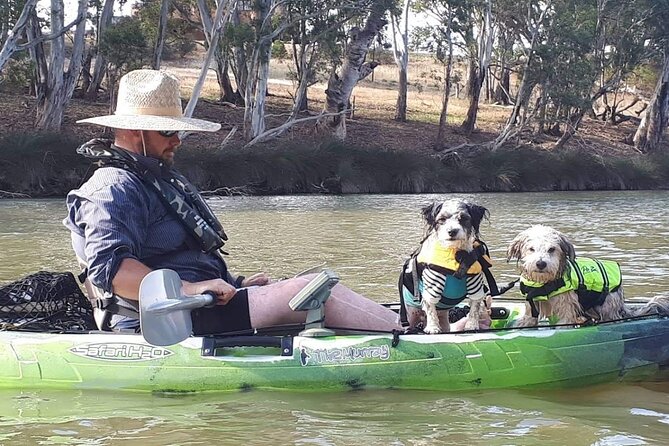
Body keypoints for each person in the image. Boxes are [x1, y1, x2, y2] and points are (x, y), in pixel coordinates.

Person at [64, 69, 400, 335]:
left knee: (317, 284)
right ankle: (418, 341)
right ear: (135, 132)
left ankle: (407, 330)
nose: (178, 140)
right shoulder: (113, 186)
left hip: (198, 306)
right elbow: (115, 273)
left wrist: (235, 284)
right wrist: (196, 287)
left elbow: (181, 257)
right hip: (159, 323)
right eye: (168, 132)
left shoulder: (154, 178)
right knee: (316, 291)